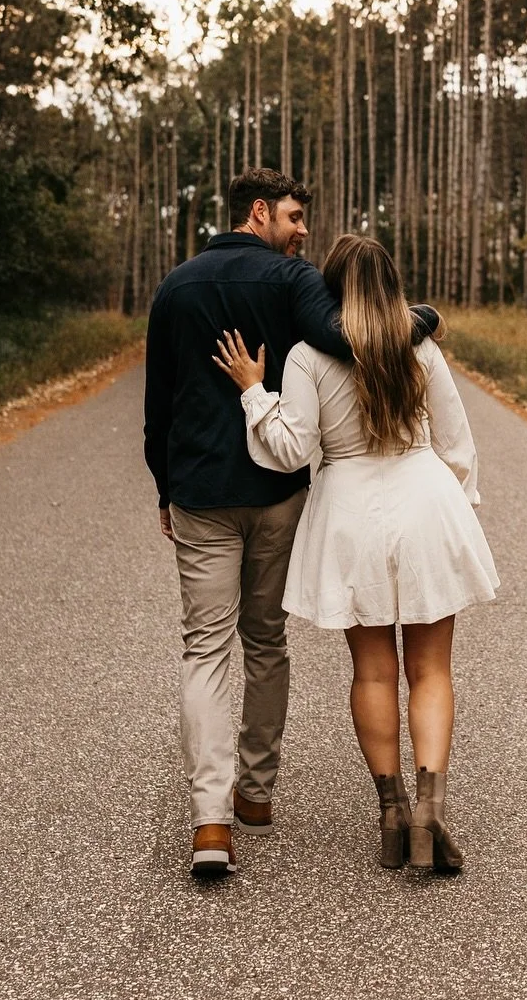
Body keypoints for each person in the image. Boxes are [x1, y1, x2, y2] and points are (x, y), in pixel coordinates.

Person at [144, 170, 436, 882]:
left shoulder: (176, 288)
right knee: (264, 639)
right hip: (276, 493)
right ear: (259, 212)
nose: (304, 230)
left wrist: (164, 486)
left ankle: (210, 819)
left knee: (205, 647)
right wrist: (423, 319)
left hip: (200, 492)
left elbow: (159, 403)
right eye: (296, 216)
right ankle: (257, 791)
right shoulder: (294, 282)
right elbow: (355, 339)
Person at [214, 233, 497, 875]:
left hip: (349, 511)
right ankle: (430, 809)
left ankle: (392, 811)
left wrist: (255, 391)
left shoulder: (310, 354)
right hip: (424, 500)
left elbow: (291, 449)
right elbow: (456, 444)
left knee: (372, 672)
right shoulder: (420, 344)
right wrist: (458, 514)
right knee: (431, 670)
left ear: (329, 289)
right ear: (394, 284)